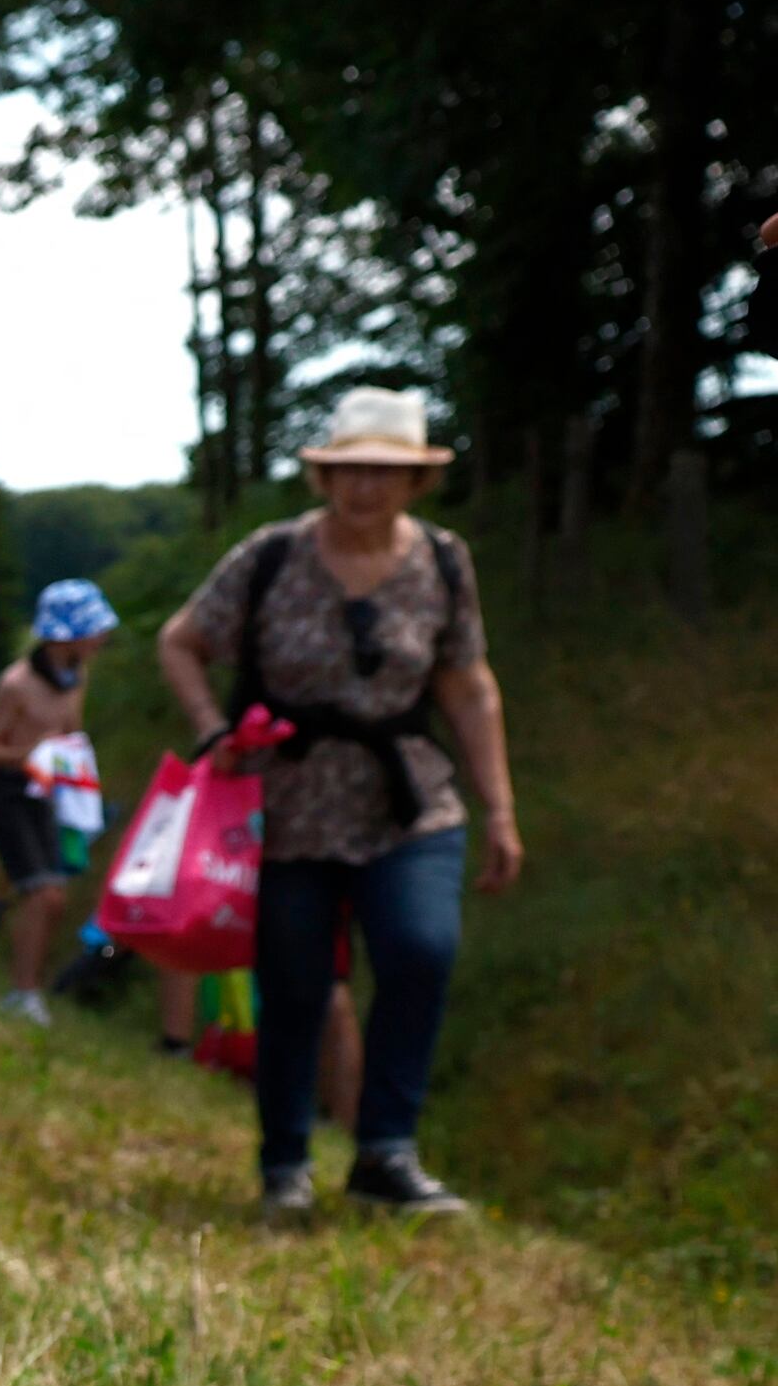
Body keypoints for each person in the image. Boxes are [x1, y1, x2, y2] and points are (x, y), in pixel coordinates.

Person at [154, 386, 523, 1220]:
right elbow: (180, 640)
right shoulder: (269, 555)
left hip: (410, 798)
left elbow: (467, 686)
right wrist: (215, 730)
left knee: (420, 950)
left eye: (386, 473)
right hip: (289, 806)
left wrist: (499, 806)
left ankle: (386, 1153)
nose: (367, 487)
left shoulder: (444, 559)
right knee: (296, 984)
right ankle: (285, 1161)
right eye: (352, 470)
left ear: (416, 483)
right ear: (326, 476)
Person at [0, 580, 117, 1022]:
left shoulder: (77, 676)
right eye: (94, 629)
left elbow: (70, 733)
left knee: (54, 898)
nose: (102, 638)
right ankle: (23, 994)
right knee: (40, 895)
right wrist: (32, 754)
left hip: (48, 796)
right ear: (65, 633)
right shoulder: (17, 684)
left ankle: (28, 988)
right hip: (8, 794)